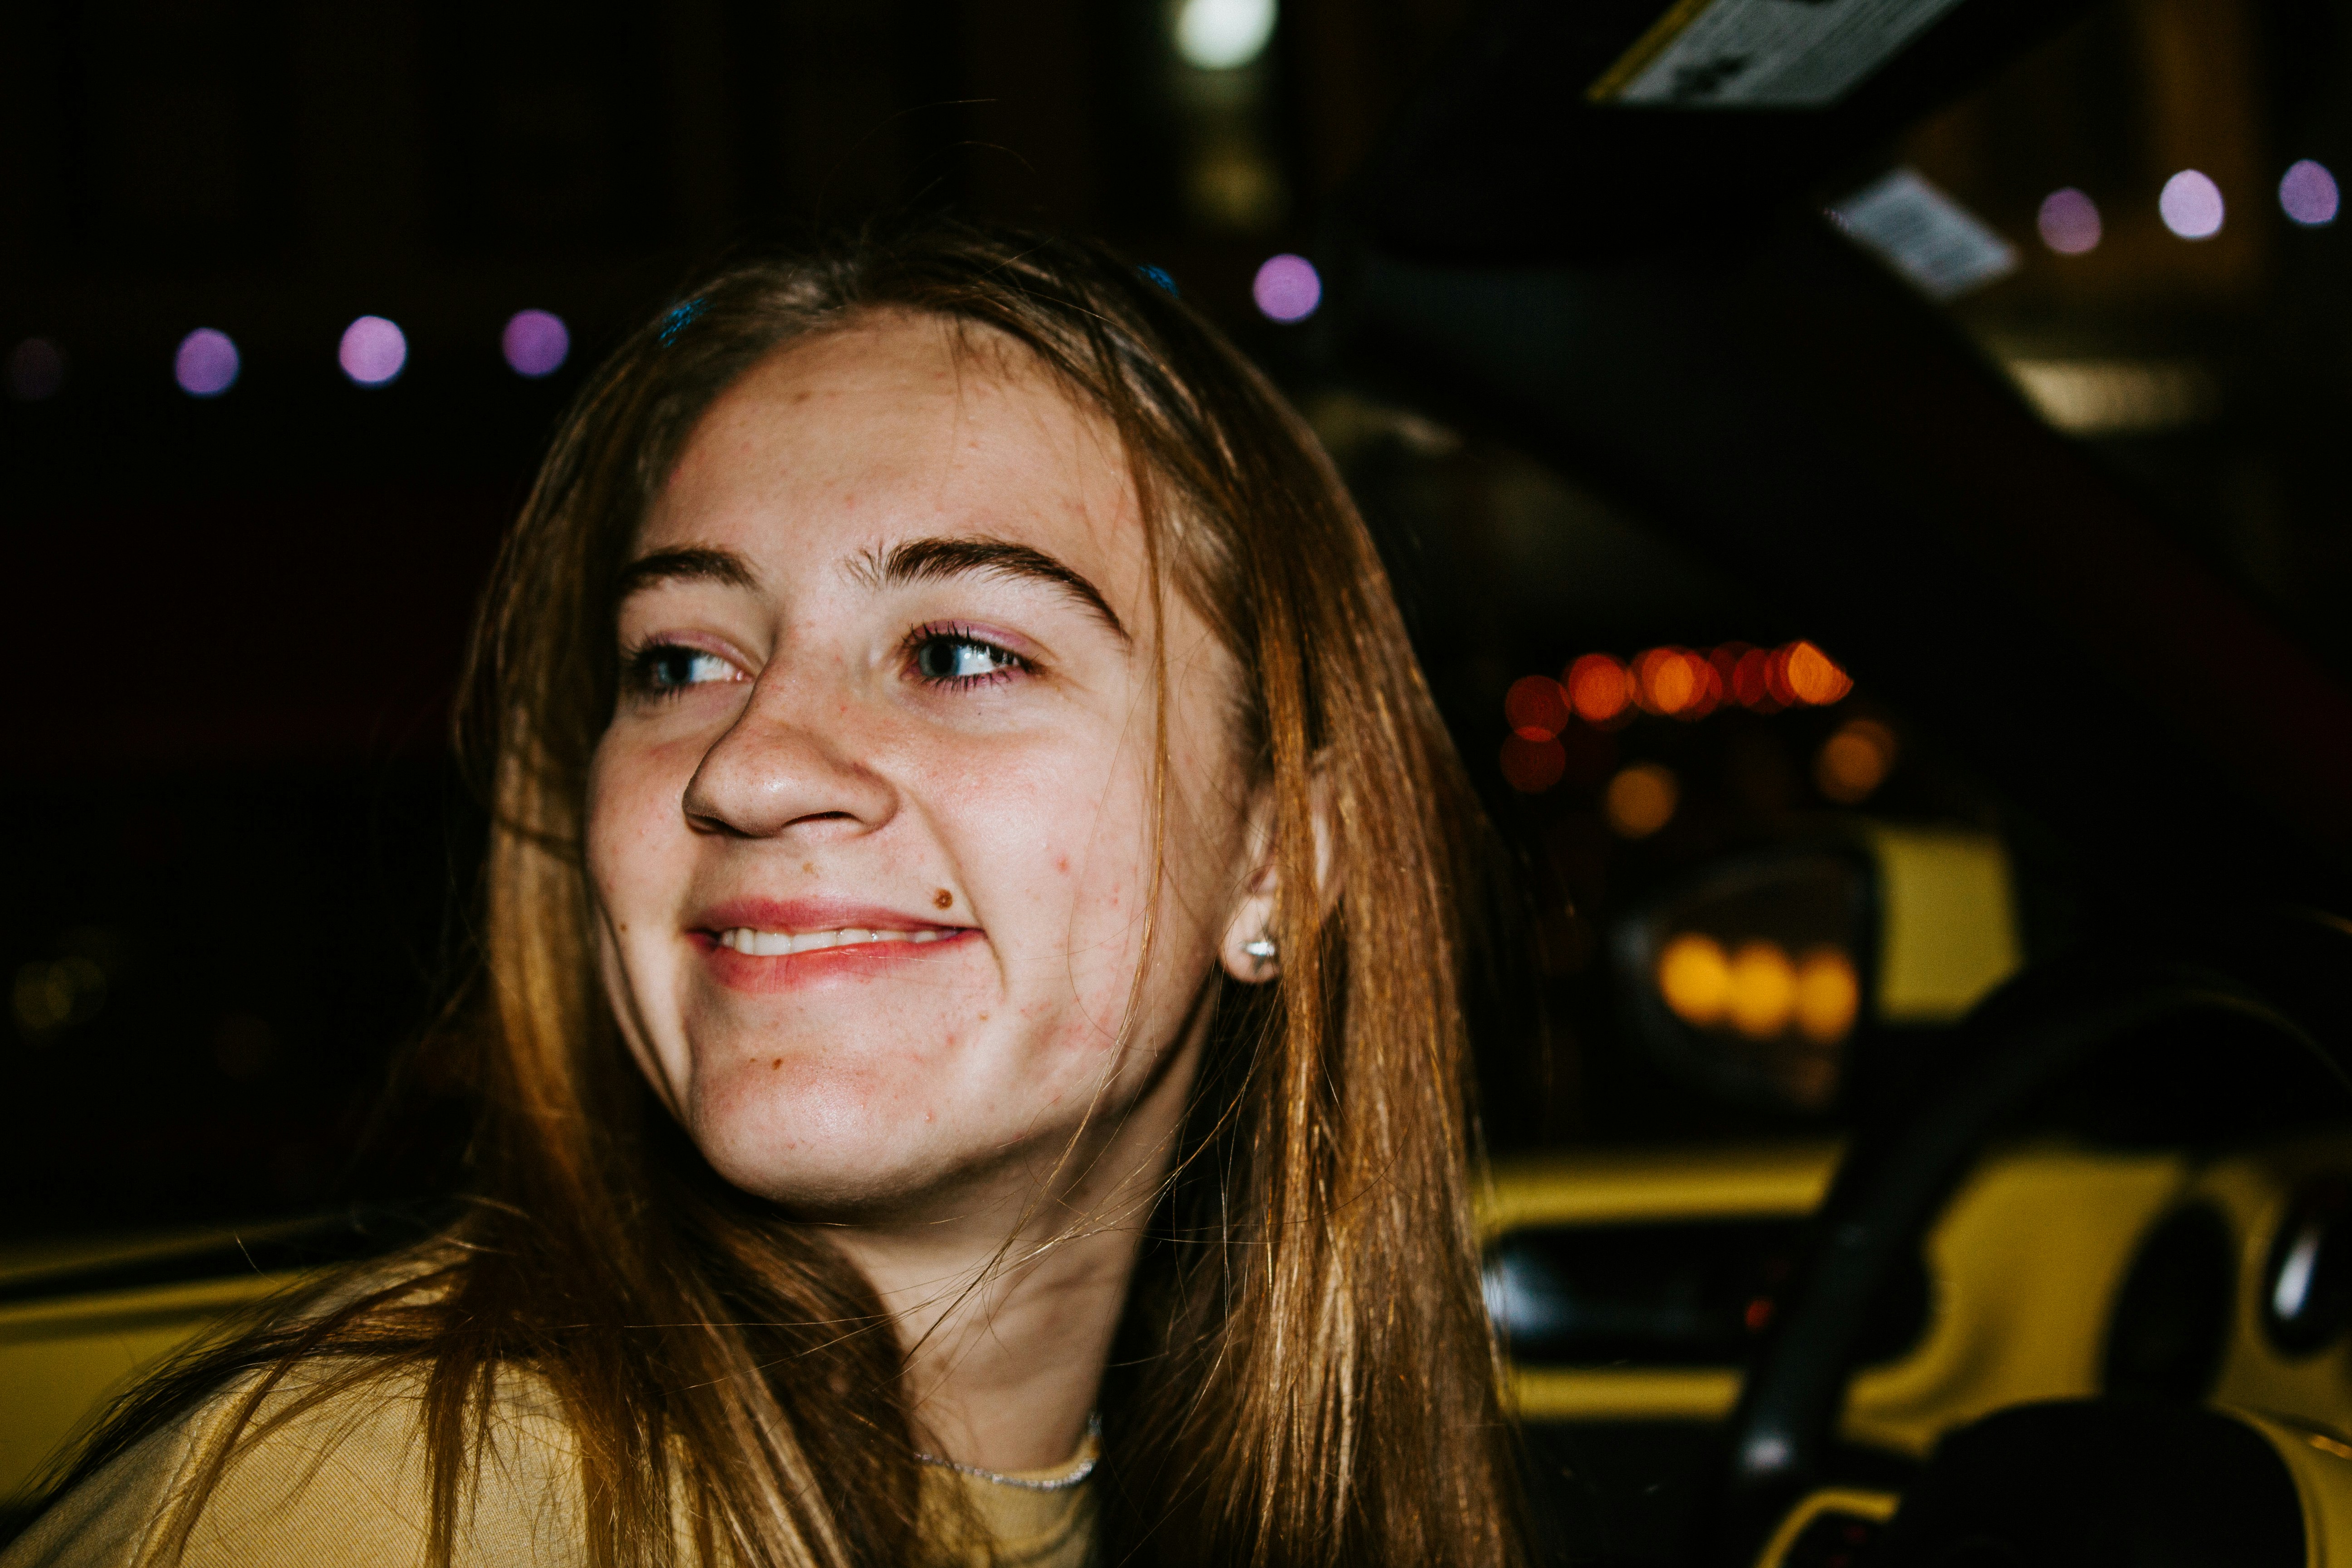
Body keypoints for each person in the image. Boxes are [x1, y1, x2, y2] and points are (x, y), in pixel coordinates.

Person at [5, 220, 1523, 1568]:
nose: (746, 766)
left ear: (1282, 854)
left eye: (960, 652)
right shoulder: (385, 1514)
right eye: (680, 662)